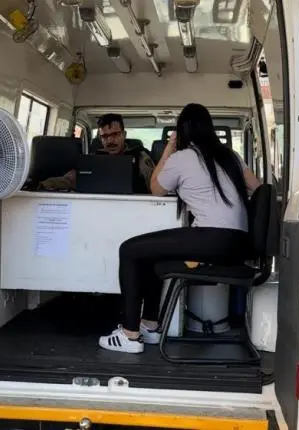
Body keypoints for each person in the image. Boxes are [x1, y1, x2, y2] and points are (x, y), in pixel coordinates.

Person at [98, 103, 261, 354]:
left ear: (182, 130)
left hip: (210, 238)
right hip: (239, 244)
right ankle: (149, 326)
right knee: (151, 254)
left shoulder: (182, 158)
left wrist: (168, 149)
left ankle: (129, 334)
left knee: (128, 250)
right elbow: (259, 188)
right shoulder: (231, 156)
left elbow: (156, 188)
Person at [37, 114, 155, 193]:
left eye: (115, 134)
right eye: (105, 136)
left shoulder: (140, 157)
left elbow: (155, 185)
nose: (110, 141)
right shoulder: (93, 159)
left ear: (124, 135)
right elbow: (70, 180)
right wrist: (42, 185)